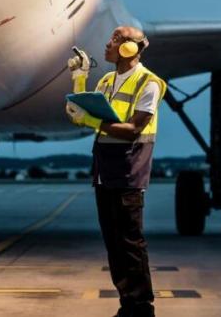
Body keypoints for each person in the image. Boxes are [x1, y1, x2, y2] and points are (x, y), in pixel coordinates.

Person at [66, 26, 166, 317]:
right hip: (104, 172)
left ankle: (142, 308)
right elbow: (80, 115)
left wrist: (91, 121)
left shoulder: (149, 83)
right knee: (114, 245)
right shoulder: (108, 80)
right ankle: (128, 306)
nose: (108, 44)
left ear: (129, 48)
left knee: (130, 244)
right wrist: (79, 77)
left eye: (115, 39)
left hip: (128, 173)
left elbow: (134, 129)